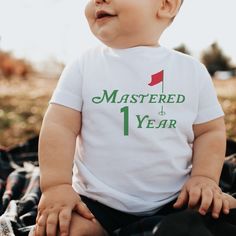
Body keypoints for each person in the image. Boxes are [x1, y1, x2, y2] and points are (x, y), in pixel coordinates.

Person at [34, 0, 232, 235]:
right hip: (97, 202)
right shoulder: (83, 66)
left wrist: (204, 177)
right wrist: (57, 186)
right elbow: (59, 126)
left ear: (166, 5)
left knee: (218, 216)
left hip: (176, 200)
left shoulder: (192, 71)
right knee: (59, 229)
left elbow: (210, 131)